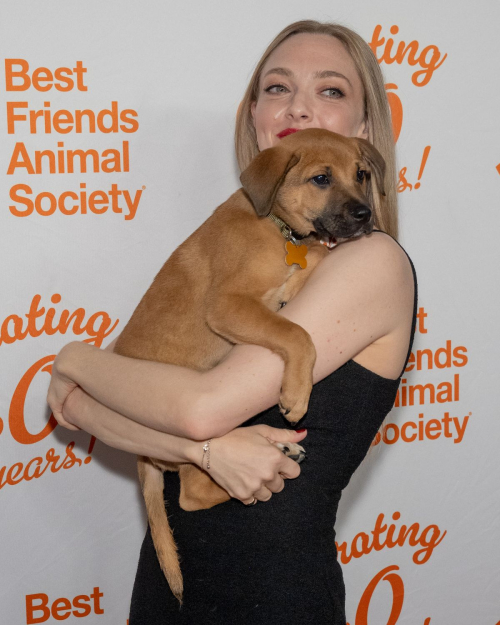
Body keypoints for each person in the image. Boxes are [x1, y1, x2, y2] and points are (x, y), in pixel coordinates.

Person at [47, 20, 416, 625]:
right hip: (174, 577)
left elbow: (197, 407)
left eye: (330, 91)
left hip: (271, 593)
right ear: (254, 119)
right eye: (277, 88)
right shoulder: (263, 241)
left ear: (367, 131)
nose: (300, 105)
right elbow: (92, 410)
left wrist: (75, 361)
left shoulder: (371, 262)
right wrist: (207, 452)